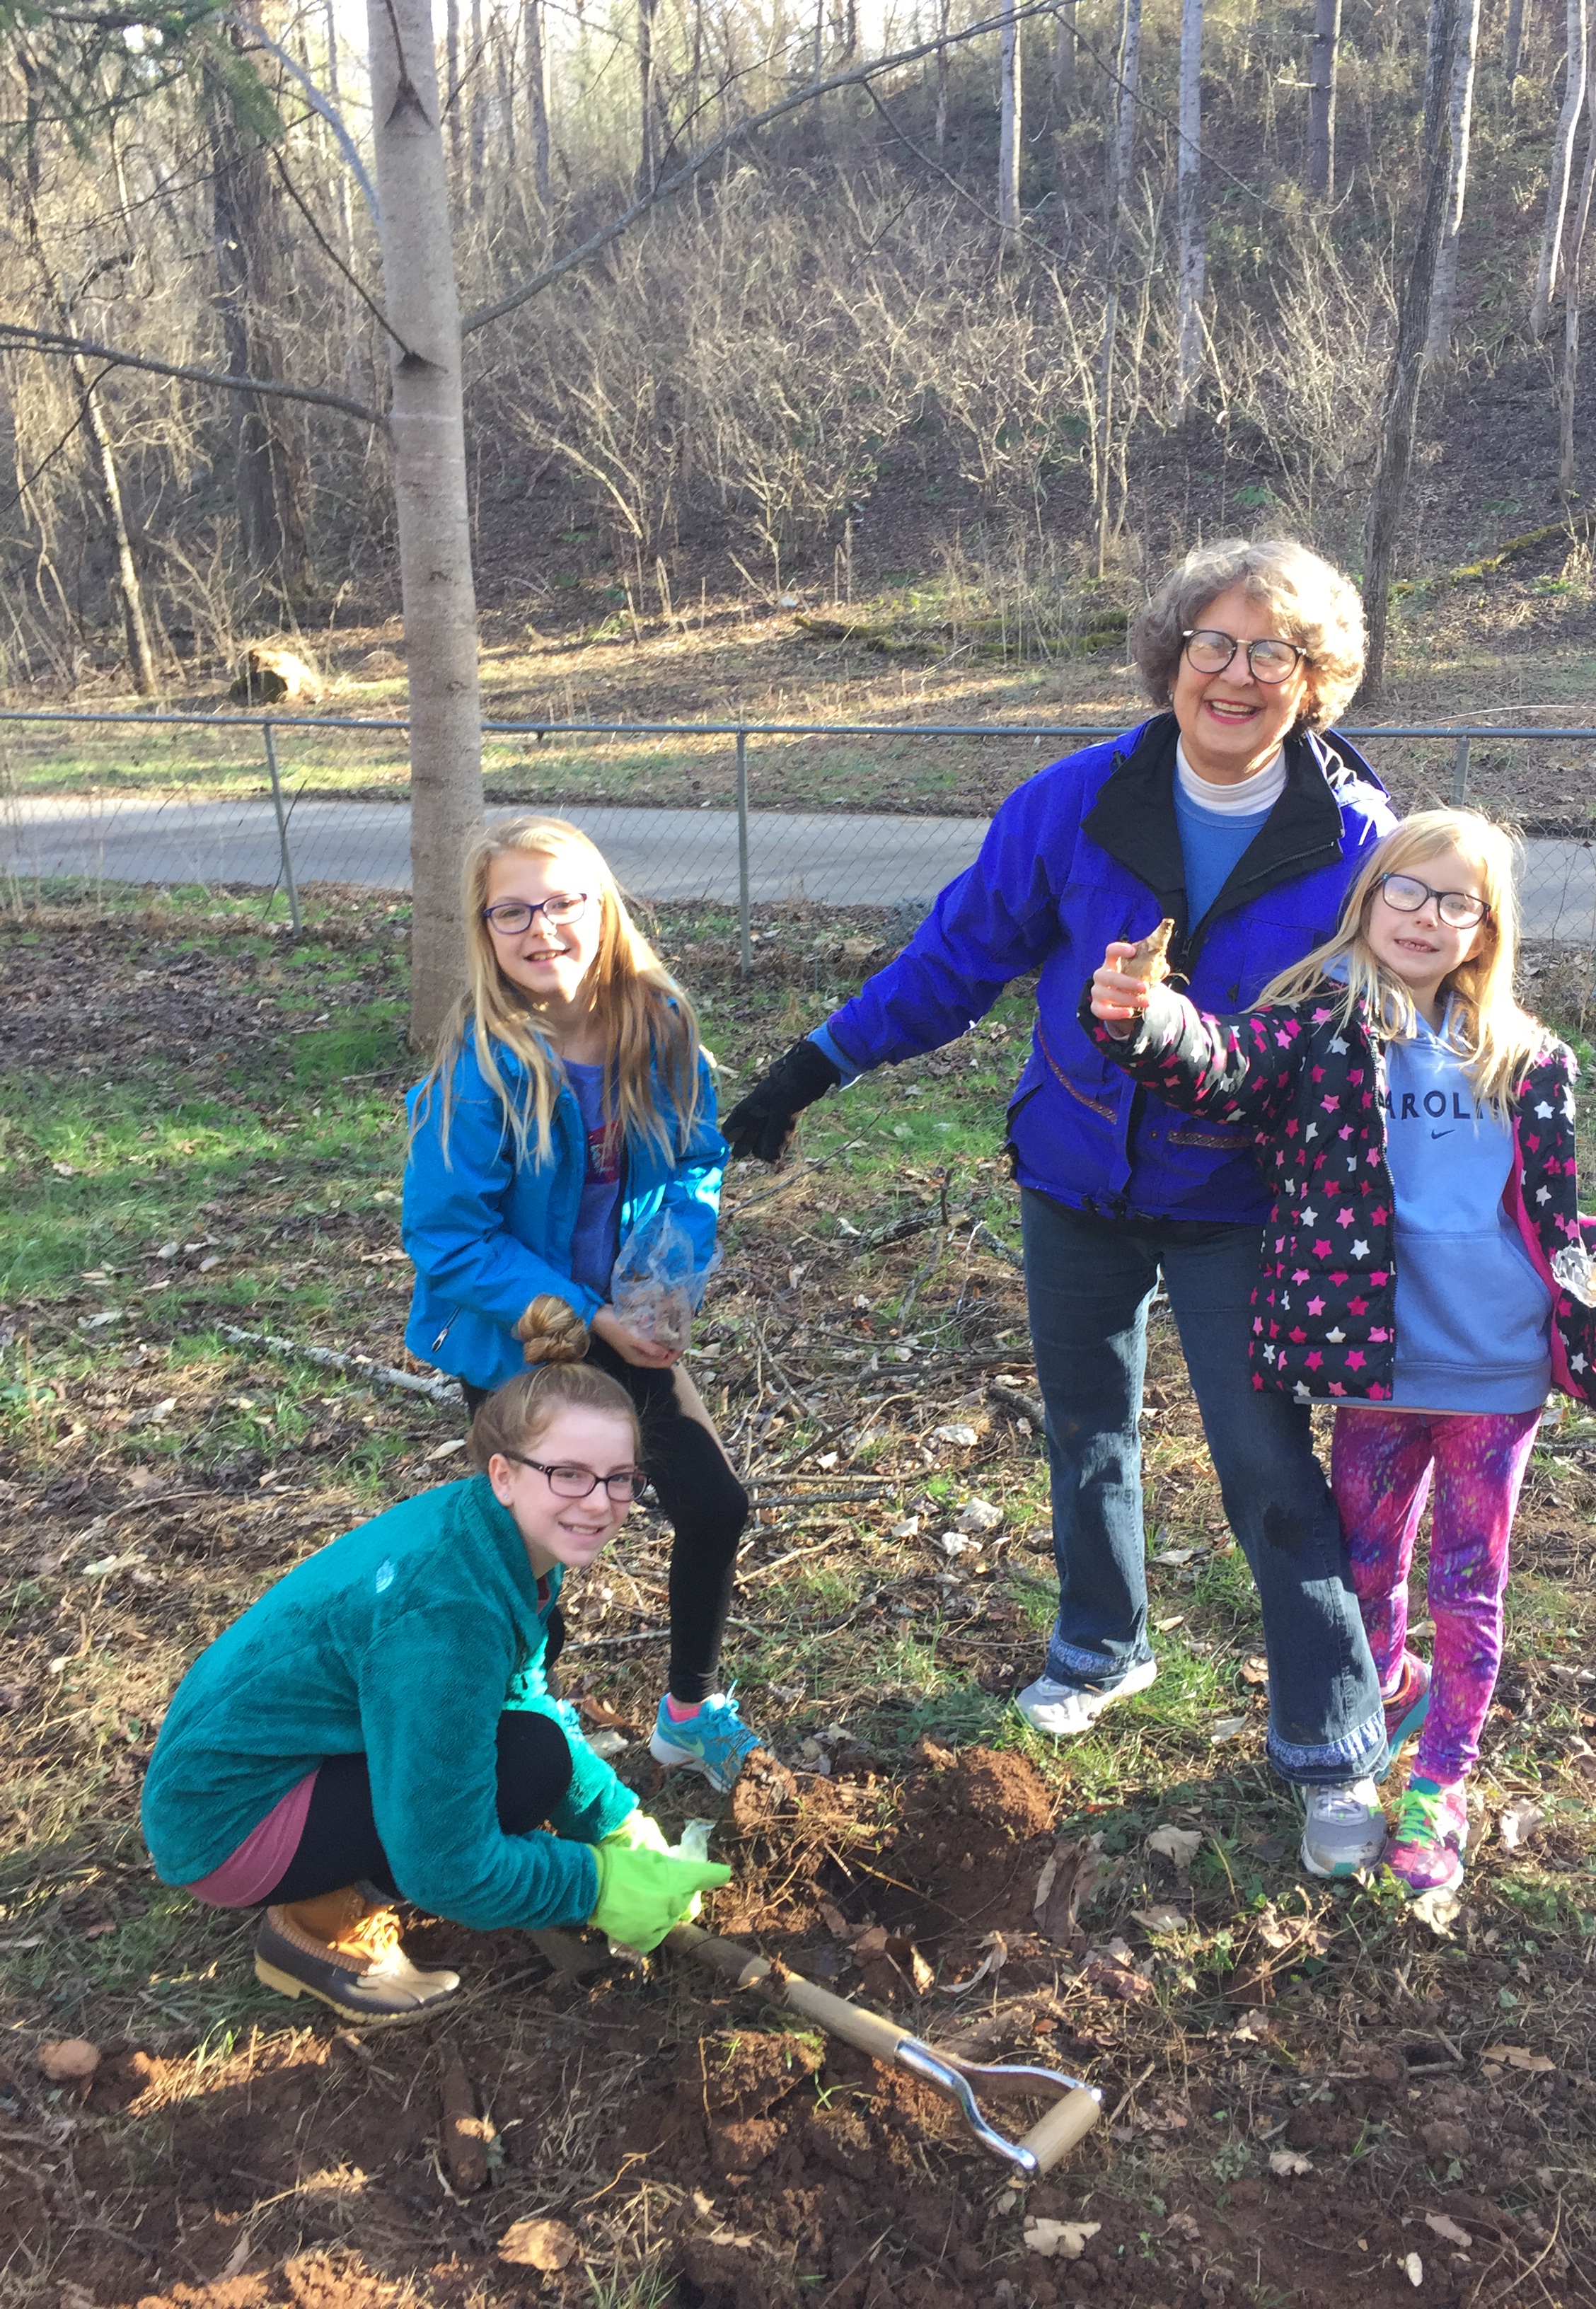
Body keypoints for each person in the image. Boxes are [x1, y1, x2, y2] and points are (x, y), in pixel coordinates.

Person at [724, 536, 1403, 1876]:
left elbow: (1398, 1023)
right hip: (1076, 1177)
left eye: (1274, 651)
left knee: (1268, 1467)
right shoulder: (1072, 802)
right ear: (1170, 656)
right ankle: (1101, 1643)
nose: (1236, 672)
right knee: (1086, 1430)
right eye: (1211, 642)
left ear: (1314, 679)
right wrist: (814, 1066)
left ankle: (1331, 1742)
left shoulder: (1356, 843)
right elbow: (957, 955)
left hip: (1238, 1199)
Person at [1084, 809, 1596, 1890]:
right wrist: (1144, 1015)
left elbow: (1545, 1219)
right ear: (1370, 901)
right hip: (1374, 1371)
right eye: (1406, 892)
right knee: (1365, 1574)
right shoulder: (1321, 1032)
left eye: (1455, 901)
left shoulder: (1531, 1060)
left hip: (1497, 1379)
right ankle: (1376, 1718)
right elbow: (1217, 1063)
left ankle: (1441, 1787)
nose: (1426, 917)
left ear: (1486, 928)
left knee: (1472, 1587)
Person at [141, 1348, 732, 2018]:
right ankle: (320, 1923)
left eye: (620, 1478)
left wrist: (613, 1820)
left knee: (529, 1746)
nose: (599, 1504)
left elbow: (514, 1689)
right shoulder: (448, 1613)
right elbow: (447, 1867)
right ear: (504, 1475)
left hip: (265, 1758)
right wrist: (595, 1885)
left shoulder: (500, 1531)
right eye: (569, 1474)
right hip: (223, 1825)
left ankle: (331, 1872)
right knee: (526, 1765)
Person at [402, 814, 759, 1794]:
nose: (540, 927)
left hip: (624, 1324)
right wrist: (587, 1315)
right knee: (536, 1550)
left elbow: (694, 1162)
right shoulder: (478, 1067)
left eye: (561, 902)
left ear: (601, 908)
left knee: (715, 1505)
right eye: (511, 910)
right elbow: (448, 1238)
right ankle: (533, 1726)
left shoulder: (659, 1020)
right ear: (485, 931)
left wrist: (665, 1282)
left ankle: (688, 1714)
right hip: (522, 1338)